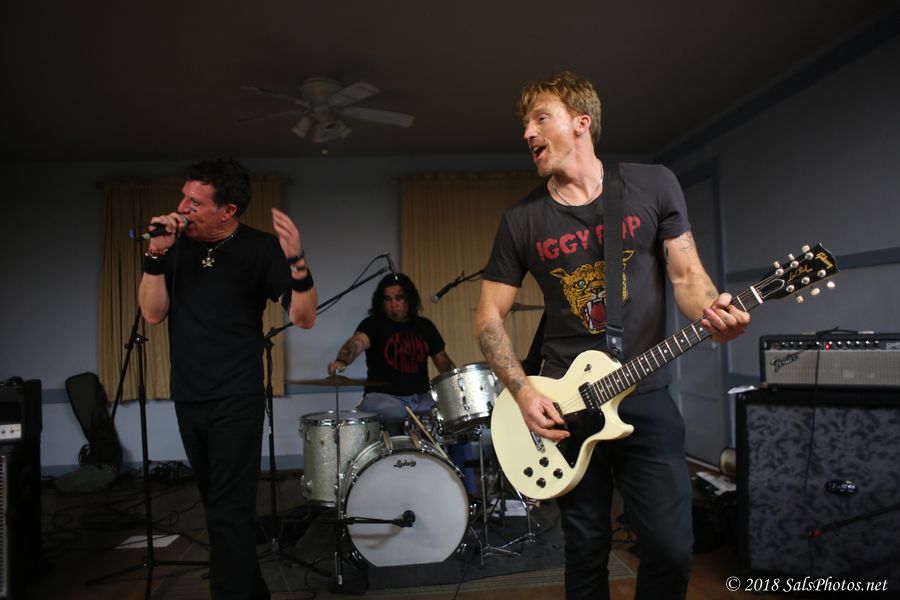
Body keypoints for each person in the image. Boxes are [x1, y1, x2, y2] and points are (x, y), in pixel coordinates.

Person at [474, 71, 750, 600]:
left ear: (582, 123)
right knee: (585, 553)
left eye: (540, 118)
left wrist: (715, 313)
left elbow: (687, 278)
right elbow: (488, 317)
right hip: (564, 406)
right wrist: (523, 391)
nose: (527, 132)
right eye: (525, 124)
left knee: (671, 550)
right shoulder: (521, 220)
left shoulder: (653, 184)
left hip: (644, 394)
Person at [139, 158, 317, 600]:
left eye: (195, 202)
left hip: (237, 395)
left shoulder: (259, 249)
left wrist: (297, 261)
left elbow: (304, 316)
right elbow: (152, 313)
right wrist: (155, 255)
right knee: (218, 509)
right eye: (184, 196)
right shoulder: (174, 246)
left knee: (229, 513)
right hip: (188, 394)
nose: (183, 207)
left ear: (227, 211)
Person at [327, 273, 475, 491]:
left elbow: (443, 362)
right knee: (394, 420)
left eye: (399, 298)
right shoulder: (373, 324)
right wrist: (342, 360)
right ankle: (401, 487)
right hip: (383, 397)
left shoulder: (425, 326)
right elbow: (355, 344)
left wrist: (458, 389)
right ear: (381, 302)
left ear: (409, 299)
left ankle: (464, 490)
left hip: (422, 398)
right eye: (388, 299)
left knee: (457, 422)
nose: (393, 304)